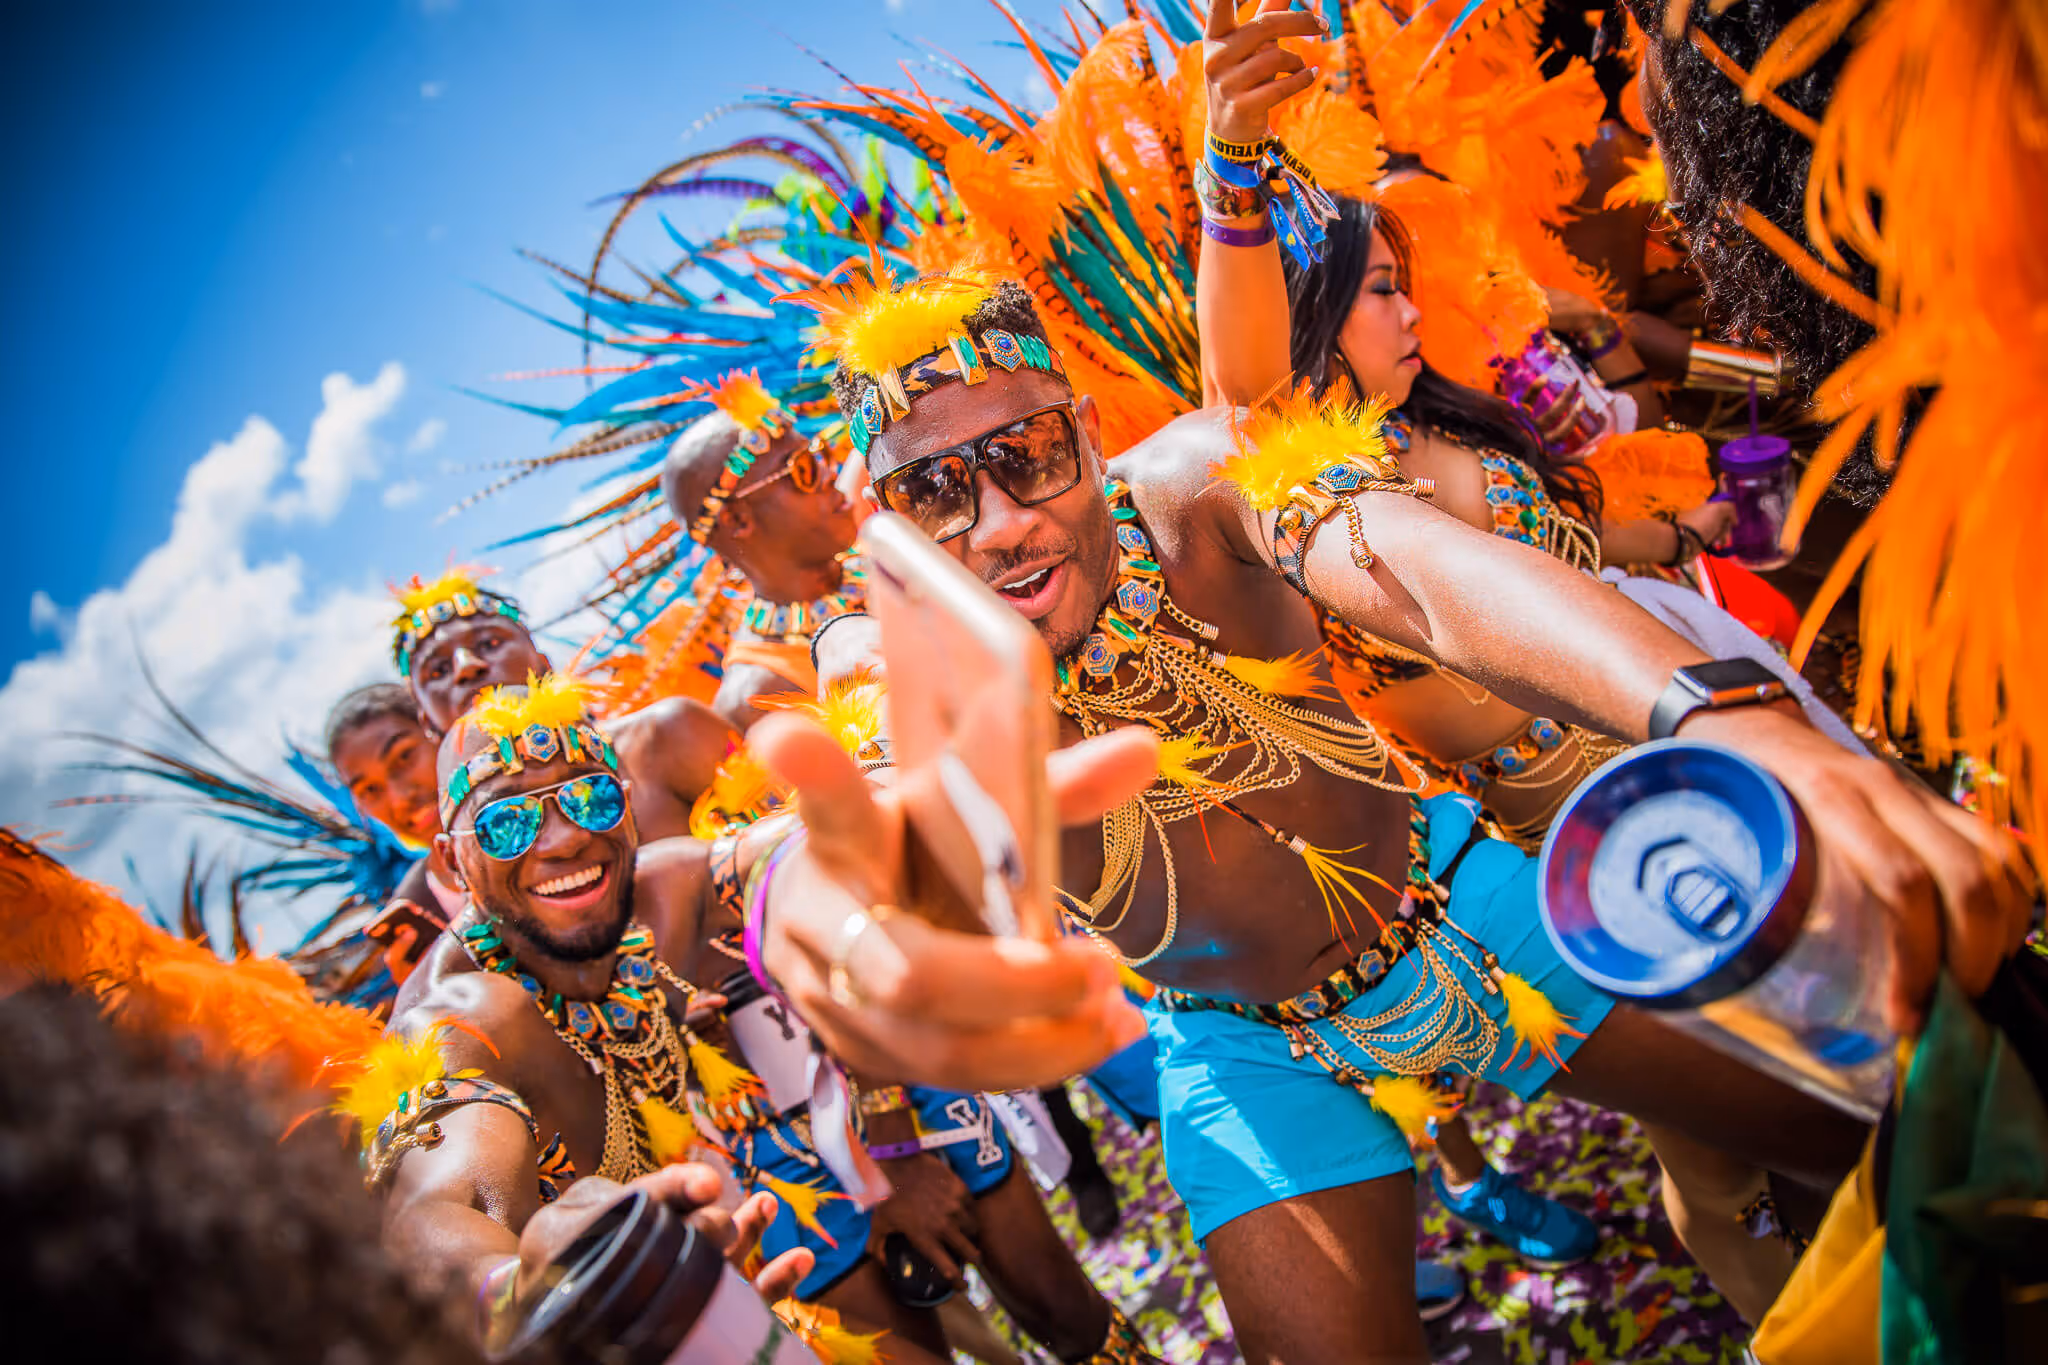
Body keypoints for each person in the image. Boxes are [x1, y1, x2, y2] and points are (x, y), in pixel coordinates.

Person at [746, 262, 2029, 1364]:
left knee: (1921, 1143)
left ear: (1084, 433)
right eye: (935, 495)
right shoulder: (887, 653)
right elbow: (846, 821)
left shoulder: (1190, 492)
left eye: (1027, 456)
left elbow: (1424, 583)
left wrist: (1726, 718)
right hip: (1245, 1052)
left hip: (1467, 904)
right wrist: (847, 937)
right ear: (889, 524)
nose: (1000, 525)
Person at [375, 674, 1153, 1364]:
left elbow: (783, 856)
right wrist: (530, 1292)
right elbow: (434, 1212)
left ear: (629, 807)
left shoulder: (665, 893)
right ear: (450, 861)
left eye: (591, 797)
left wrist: (870, 868)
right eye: (509, 823)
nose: (566, 836)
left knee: (1067, 1312)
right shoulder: (470, 1013)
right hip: (720, 1245)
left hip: (797, 1152)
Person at [390, 568, 736, 841]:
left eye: (490, 642)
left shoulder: (667, 737)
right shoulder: (457, 857)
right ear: (428, 724)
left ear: (543, 663)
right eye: (438, 669)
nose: (467, 667)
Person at [655, 372, 867, 735]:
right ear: (738, 520)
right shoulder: (760, 698)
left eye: (820, 455)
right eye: (803, 469)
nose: (829, 473)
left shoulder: (876, 531)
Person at [326, 682, 465, 986]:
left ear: (435, 729)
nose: (400, 797)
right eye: (370, 790)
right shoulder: (418, 906)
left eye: (404, 757)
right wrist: (425, 1000)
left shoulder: (540, 806)